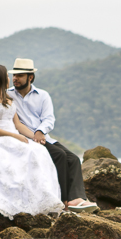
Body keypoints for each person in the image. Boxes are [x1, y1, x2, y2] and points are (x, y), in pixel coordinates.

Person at [0, 65, 65, 218]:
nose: (10, 79)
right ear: (0, 78)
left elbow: (18, 125)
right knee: (10, 158)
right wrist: (14, 136)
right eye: (8, 76)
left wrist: (34, 137)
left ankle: (41, 197)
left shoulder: (7, 98)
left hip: (12, 136)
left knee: (38, 151)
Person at [7, 58, 97, 212]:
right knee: (60, 155)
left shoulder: (43, 95)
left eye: (20, 75)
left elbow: (49, 119)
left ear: (30, 77)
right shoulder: (7, 95)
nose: (15, 78)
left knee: (74, 159)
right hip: (25, 137)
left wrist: (40, 131)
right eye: (14, 75)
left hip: (43, 137)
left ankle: (76, 198)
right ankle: (63, 201)